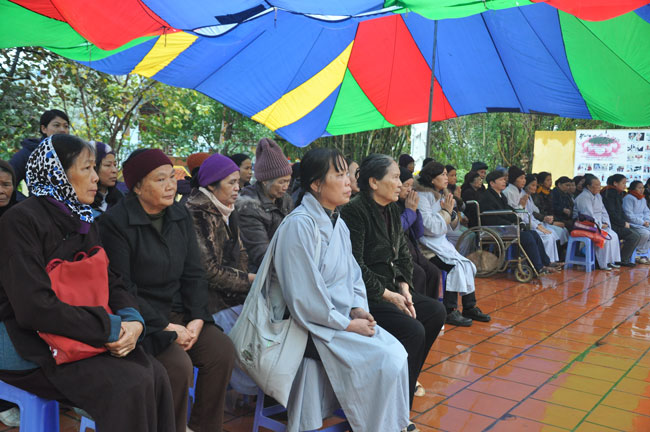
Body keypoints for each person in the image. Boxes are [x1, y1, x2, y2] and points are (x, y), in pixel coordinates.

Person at [0, 135, 175, 432]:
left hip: (82, 331)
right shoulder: (19, 222)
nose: (96, 177)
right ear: (58, 172)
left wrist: (133, 320)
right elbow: (33, 308)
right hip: (29, 343)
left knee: (156, 373)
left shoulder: (82, 218)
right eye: (87, 168)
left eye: (95, 168)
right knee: (128, 385)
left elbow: (110, 279)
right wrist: (108, 328)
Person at [273, 148, 410, 432]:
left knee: (397, 353)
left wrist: (358, 308)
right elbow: (303, 297)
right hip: (306, 323)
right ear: (316, 184)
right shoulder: (299, 225)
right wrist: (347, 324)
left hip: (338, 316)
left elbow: (353, 276)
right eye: (340, 175)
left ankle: (389, 425)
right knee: (387, 360)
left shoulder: (337, 222)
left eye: (348, 174)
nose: (349, 182)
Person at [99, 148, 235, 432]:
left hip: (180, 310)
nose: (171, 185)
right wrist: (165, 326)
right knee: (178, 366)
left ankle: (204, 427)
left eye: (172, 177)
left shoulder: (178, 214)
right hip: (142, 318)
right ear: (137, 187)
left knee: (221, 351)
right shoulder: (115, 223)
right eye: (160, 180)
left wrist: (197, 317)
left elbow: (193, 272)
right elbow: (121, 287)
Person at [340, 154, 445, 419]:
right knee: (413, 330)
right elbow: (354, 265)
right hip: (366, 296)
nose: (401, 184)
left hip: (391, 289)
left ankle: (405, 384)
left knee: (434, 311)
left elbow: (403, 256)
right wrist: (388, 295)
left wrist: (404, 288)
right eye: (396, 178)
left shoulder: (391, 210)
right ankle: (394, 408)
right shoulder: (354, 211)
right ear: (374, 182)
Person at [185, 153, 257, 395]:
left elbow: (242, 253)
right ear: (211, 185)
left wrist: (248, 281)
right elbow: (208, 271)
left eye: (238, 182)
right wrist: (248, 281)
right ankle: (251, 391)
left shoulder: (227, 209)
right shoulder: (196, 213)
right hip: (208, 302)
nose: (238, 188)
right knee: (248, 333)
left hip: (232, 295)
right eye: (231, 182)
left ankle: (258, 391)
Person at [415, 162, 490, 327]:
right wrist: (447, 212)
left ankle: (469, 307)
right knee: (454, 267)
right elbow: (430, 227)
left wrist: (452, 213)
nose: (446, 178)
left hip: (441, 242)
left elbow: (452, 226)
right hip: (426, 246)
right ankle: (449, 310)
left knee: (467, 264)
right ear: (431, 179)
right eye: (442, 174)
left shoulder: (442, 194)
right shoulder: (422, 197)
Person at [479, 170, 557, 275]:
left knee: (533, 234)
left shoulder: (501, 196)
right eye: (501, 180)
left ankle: (546, 263)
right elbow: (492, 218)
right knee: (527, 237)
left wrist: (519, 221)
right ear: (492, 183)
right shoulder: (487, 197)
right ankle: (538, 267)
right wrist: (511, 224)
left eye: (504, 179)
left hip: (504, 226)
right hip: (494, 228)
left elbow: (510, 211)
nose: (504, 181)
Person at [236, 138, 293, 273]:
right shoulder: (248, 205)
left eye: (288, 181)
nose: (285, 187)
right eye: (281, 182)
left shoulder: (285, 200)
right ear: (265, 181)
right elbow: (260, 252)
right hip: (260, 272)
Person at [397, 166, 441, 300]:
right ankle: (417, 308)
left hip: (413, 250)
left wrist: (415, 210)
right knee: (419, 274)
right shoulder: (392, 205)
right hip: (400, 253)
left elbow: (418, 232)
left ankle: (432, 307)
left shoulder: (406, 203)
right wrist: (410, 211)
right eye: (406, 185)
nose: (409, 190)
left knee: (434, 272)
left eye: (411, 186)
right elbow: (397, 229)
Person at [573, 174, 621, 271]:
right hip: (586, 224)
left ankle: (610, 261)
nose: (599, 187)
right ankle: (602, 263)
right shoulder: (583, 197)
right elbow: (587, 215)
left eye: (600, 184)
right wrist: (599, 224)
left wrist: (605, 222)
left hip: (599, 223)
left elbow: (603, 211)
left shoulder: (598, 196)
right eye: (597, 185)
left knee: (614, 236)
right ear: (588, 186)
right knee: (605, 238)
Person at [10, 109, 70, 185]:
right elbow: (6, 182)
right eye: (56, 125)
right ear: (44, 129)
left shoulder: (74, 153)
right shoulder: (28, 153)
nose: (62, 130)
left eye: (66, 126)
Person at [521, 175, 562, 264]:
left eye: (536, 185)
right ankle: (546, 262)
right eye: (532, 185)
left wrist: (540, 225)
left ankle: (552, 261)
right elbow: (524, 216)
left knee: (551, 234)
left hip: (533, 222)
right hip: (527, 225)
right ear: (526, 185)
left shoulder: (529, 196)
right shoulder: (523, 196)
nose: (535, 188)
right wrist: (538, 226)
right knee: (548, 237)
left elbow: (532, 213)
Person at [601, 174, 639, 267]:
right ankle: (622, 259)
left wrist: (625, 222)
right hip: (611, 224)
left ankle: (622, 258)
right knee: (634, 236)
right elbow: (611, 213)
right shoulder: (609, 194)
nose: (625, 186)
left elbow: (620, 212)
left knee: (636, 233)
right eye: (623, 183)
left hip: (618, 223)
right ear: (615, 183)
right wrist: (623, 223)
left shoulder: (618, 193)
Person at [89, 141, 123, 218]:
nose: (115, 170)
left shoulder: (120, 199)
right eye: (108, 165)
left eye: (115, 165)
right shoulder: (81, 203)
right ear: (93, 167)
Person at [623, 180, 650, 264]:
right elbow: (628, 215)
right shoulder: (628, 198)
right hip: (632, 223)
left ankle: (644, 253)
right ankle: (638, 254)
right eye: (639, 188)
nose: (642, 190)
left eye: (643, 188)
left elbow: (646, 212)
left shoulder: (642, 198)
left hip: (643, 223)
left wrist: (647, 221)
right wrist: (642, 222)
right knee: (645, 233)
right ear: (633, 189)